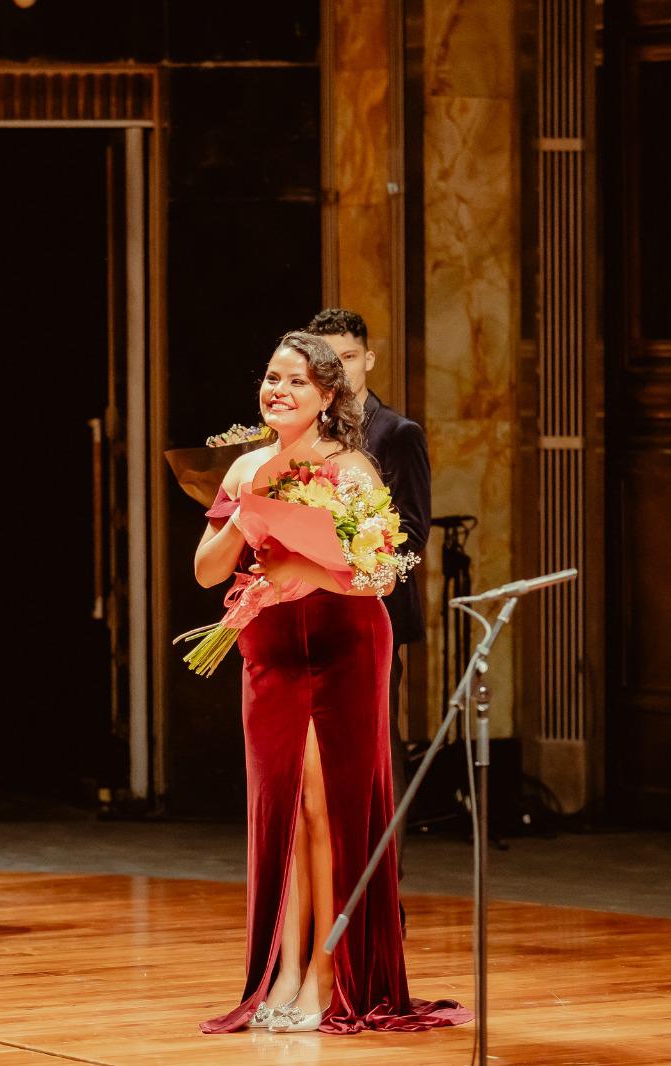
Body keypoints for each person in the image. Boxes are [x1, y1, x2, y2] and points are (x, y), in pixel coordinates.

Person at [193, 331, 469, 1035]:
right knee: (283, 807)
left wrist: (309, 571)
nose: (276, 390)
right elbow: (205, 570)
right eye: (270, 377)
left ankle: (326, 973)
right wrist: (244, 505)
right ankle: (280, 971)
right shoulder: (246, 466)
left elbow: (380, 576)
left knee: (325, 807)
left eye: (293, 381)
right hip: (273, 646)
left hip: (345, 642)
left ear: (325, 397)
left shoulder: (353, 471)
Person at [306, 309, 431, 811]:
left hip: (373, 609)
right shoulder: (301, 433)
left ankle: (382, 880)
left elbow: (413, 531)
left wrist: (347, 561)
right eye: (327, 360)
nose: (339, 368)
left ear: (369, 359)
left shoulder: (398, 432)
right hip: (305, 606)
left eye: (349, 357)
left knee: (377, 742)